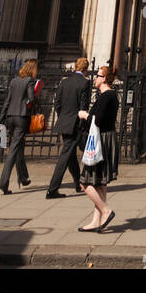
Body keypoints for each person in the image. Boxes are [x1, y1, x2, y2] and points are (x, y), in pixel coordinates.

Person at [77, 65, 119, 232]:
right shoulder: (111, 96)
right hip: (106, 139)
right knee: (100, 183)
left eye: (98, 76)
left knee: (85, 182)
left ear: (104, 79)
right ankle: (96, 220)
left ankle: (106, 210)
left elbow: (97, 120)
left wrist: (84, 115)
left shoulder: (106, 96)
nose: (95, 78)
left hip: (100, 142)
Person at [46, 57, 91, 198]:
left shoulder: (64, 82)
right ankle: (52, 189)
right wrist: (82, 124)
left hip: (64, 122)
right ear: (86, 69)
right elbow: (84, 106)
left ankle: (78, 183)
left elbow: (57, 103)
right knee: (65, 156)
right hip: (76, 124)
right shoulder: (85, 83)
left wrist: (63, 117)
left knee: (70, 154)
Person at [0, 59, 39, 195]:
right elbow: (31, 99)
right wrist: (29, 102)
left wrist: (1, 118)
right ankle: (3, 182)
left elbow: (7, 100)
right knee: (13, 150)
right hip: (21, 117)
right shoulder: (29, 81)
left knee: (18, 146)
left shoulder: (14, 81)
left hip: (10, 117)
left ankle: (23, 177)